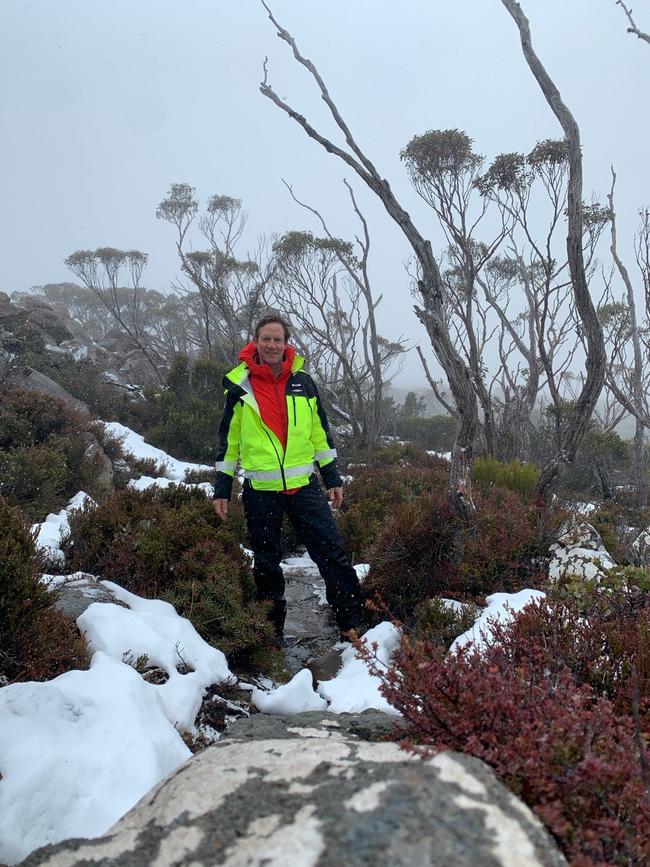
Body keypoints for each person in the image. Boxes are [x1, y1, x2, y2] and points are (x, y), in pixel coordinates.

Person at [213, 314, 363, 642]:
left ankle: (352, 625)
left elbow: (319, 434)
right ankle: (271, 633)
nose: (271, 345)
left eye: (277, 339)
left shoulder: (303, 382)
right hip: (261, 490)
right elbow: (229, 443)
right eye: (265, 338)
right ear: (255, 342)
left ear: (285, 344)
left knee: (332, 551)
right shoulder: (239, 386)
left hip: (303, 486)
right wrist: (222, 487)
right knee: (267, 563)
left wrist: (332, 478)